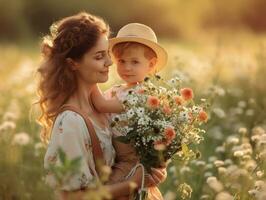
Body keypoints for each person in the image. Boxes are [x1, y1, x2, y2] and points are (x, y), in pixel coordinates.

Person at [37, 12, 151, 200]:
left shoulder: (104, 106)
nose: (110, 62)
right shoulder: (71, 123)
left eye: (107, 53)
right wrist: (133, 183)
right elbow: (71, 197)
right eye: (99, 57)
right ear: (73, 63)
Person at [90, 23, 168, 200]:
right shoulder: (117, 90)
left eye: (135, 62)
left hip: (131, 162)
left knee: (108, 191)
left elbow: (101, 105)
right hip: (115, 159)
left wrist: (89, 75)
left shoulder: (141, 95)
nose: (127, 68)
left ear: (151, 64)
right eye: (122, 61)